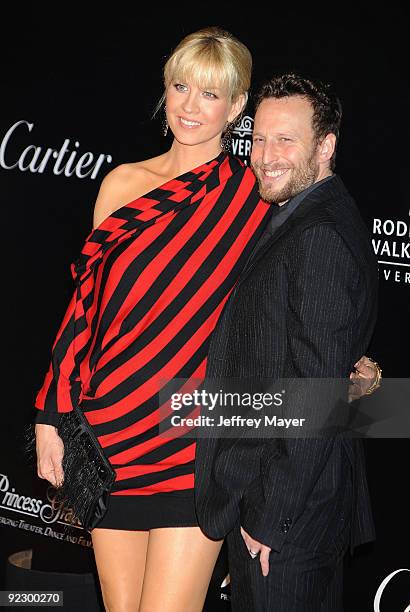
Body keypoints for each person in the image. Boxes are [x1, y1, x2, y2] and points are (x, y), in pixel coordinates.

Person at [32, 28, 377, 612]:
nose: (192, 106)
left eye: (211, 94)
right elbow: (83, 309)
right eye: (181, 86)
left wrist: (347, 381)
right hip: (109, 428)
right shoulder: (121, 184)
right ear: (165, 92)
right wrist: (51, 413)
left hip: (191, 444)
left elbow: (306, 299)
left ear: (237, 106)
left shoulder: (258, 194)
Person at [195, 74, 379, 611]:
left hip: (286, 519)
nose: (265, 156)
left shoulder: (318, 233)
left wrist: (269, 520)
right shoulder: (303, 214)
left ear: (325, 147)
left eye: (286, 140)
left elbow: (316, 391)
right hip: (290, 505)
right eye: (259, 138)